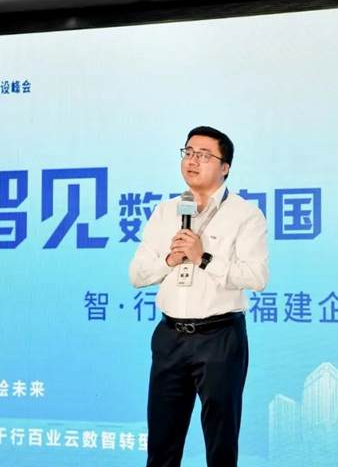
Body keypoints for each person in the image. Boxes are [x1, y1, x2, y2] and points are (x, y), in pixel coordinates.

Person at [129, 126, 269, 467]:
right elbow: (137, 275)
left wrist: (203, 258)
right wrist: (169, 260)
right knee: (162, 443)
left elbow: (256, 277)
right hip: (170, 337)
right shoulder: (166, 212)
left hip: (219, 338)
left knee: (221, 444)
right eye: (188, 153)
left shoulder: (245, 214)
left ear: (225, 167)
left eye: (204, 155)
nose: (192, 161)